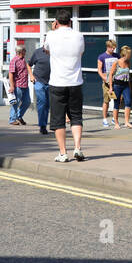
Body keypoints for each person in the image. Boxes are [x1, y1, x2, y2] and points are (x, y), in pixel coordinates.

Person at [46, 9, 86, 162]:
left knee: (58, 119)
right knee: (76, 116)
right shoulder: (79, 36)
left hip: (57, 82)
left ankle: (63, 153)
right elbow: (80, 53)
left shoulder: (51, 35)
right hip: (75, 82)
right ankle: (77, 148)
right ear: (70, 21)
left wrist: (53, 30)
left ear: (56, 22)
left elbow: (46, 49)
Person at [28, 41, 51, 135]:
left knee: (47, 105)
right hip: (39, 81)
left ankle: (44, 123)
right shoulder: (37, 52)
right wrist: (31, 76)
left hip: (51, 82)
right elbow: (28, 64)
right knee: (42, 102)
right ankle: (42, 126)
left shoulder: (55, 52)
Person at [110, 47, 132, 128]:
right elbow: (110, 75)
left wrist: (130, 86)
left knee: (128, 102)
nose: (130, 55)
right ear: (125, 54)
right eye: (129, 54)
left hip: (126, 85)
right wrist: (110, 87)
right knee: (117, 103)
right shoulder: (116, 63)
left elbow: (128, 75)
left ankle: (127, 122)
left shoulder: (128, 62)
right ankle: (116, 123)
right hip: (117, 85)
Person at [8, 46, 31, 126]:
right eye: (25, 50)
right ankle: (12, 119)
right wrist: (12, 86)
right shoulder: (14, 61)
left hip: (25, 85)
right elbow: (10, 74)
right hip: (18, 85)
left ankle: (18, 116)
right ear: (21, 52)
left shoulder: (24, 59)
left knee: (27, 102)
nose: (26, 52)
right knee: (16, 103)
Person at [97, 39, 118, 127]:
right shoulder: (102, 56)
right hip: (106, 82)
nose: (113, 50)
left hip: (115, 80)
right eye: (112, 48)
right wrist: (104, 78)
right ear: (108, 47)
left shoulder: (117, 56)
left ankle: (114, 118)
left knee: (118, 99)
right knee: (106, 101)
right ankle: (105, 119)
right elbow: (99, 70)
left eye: (114, 48)